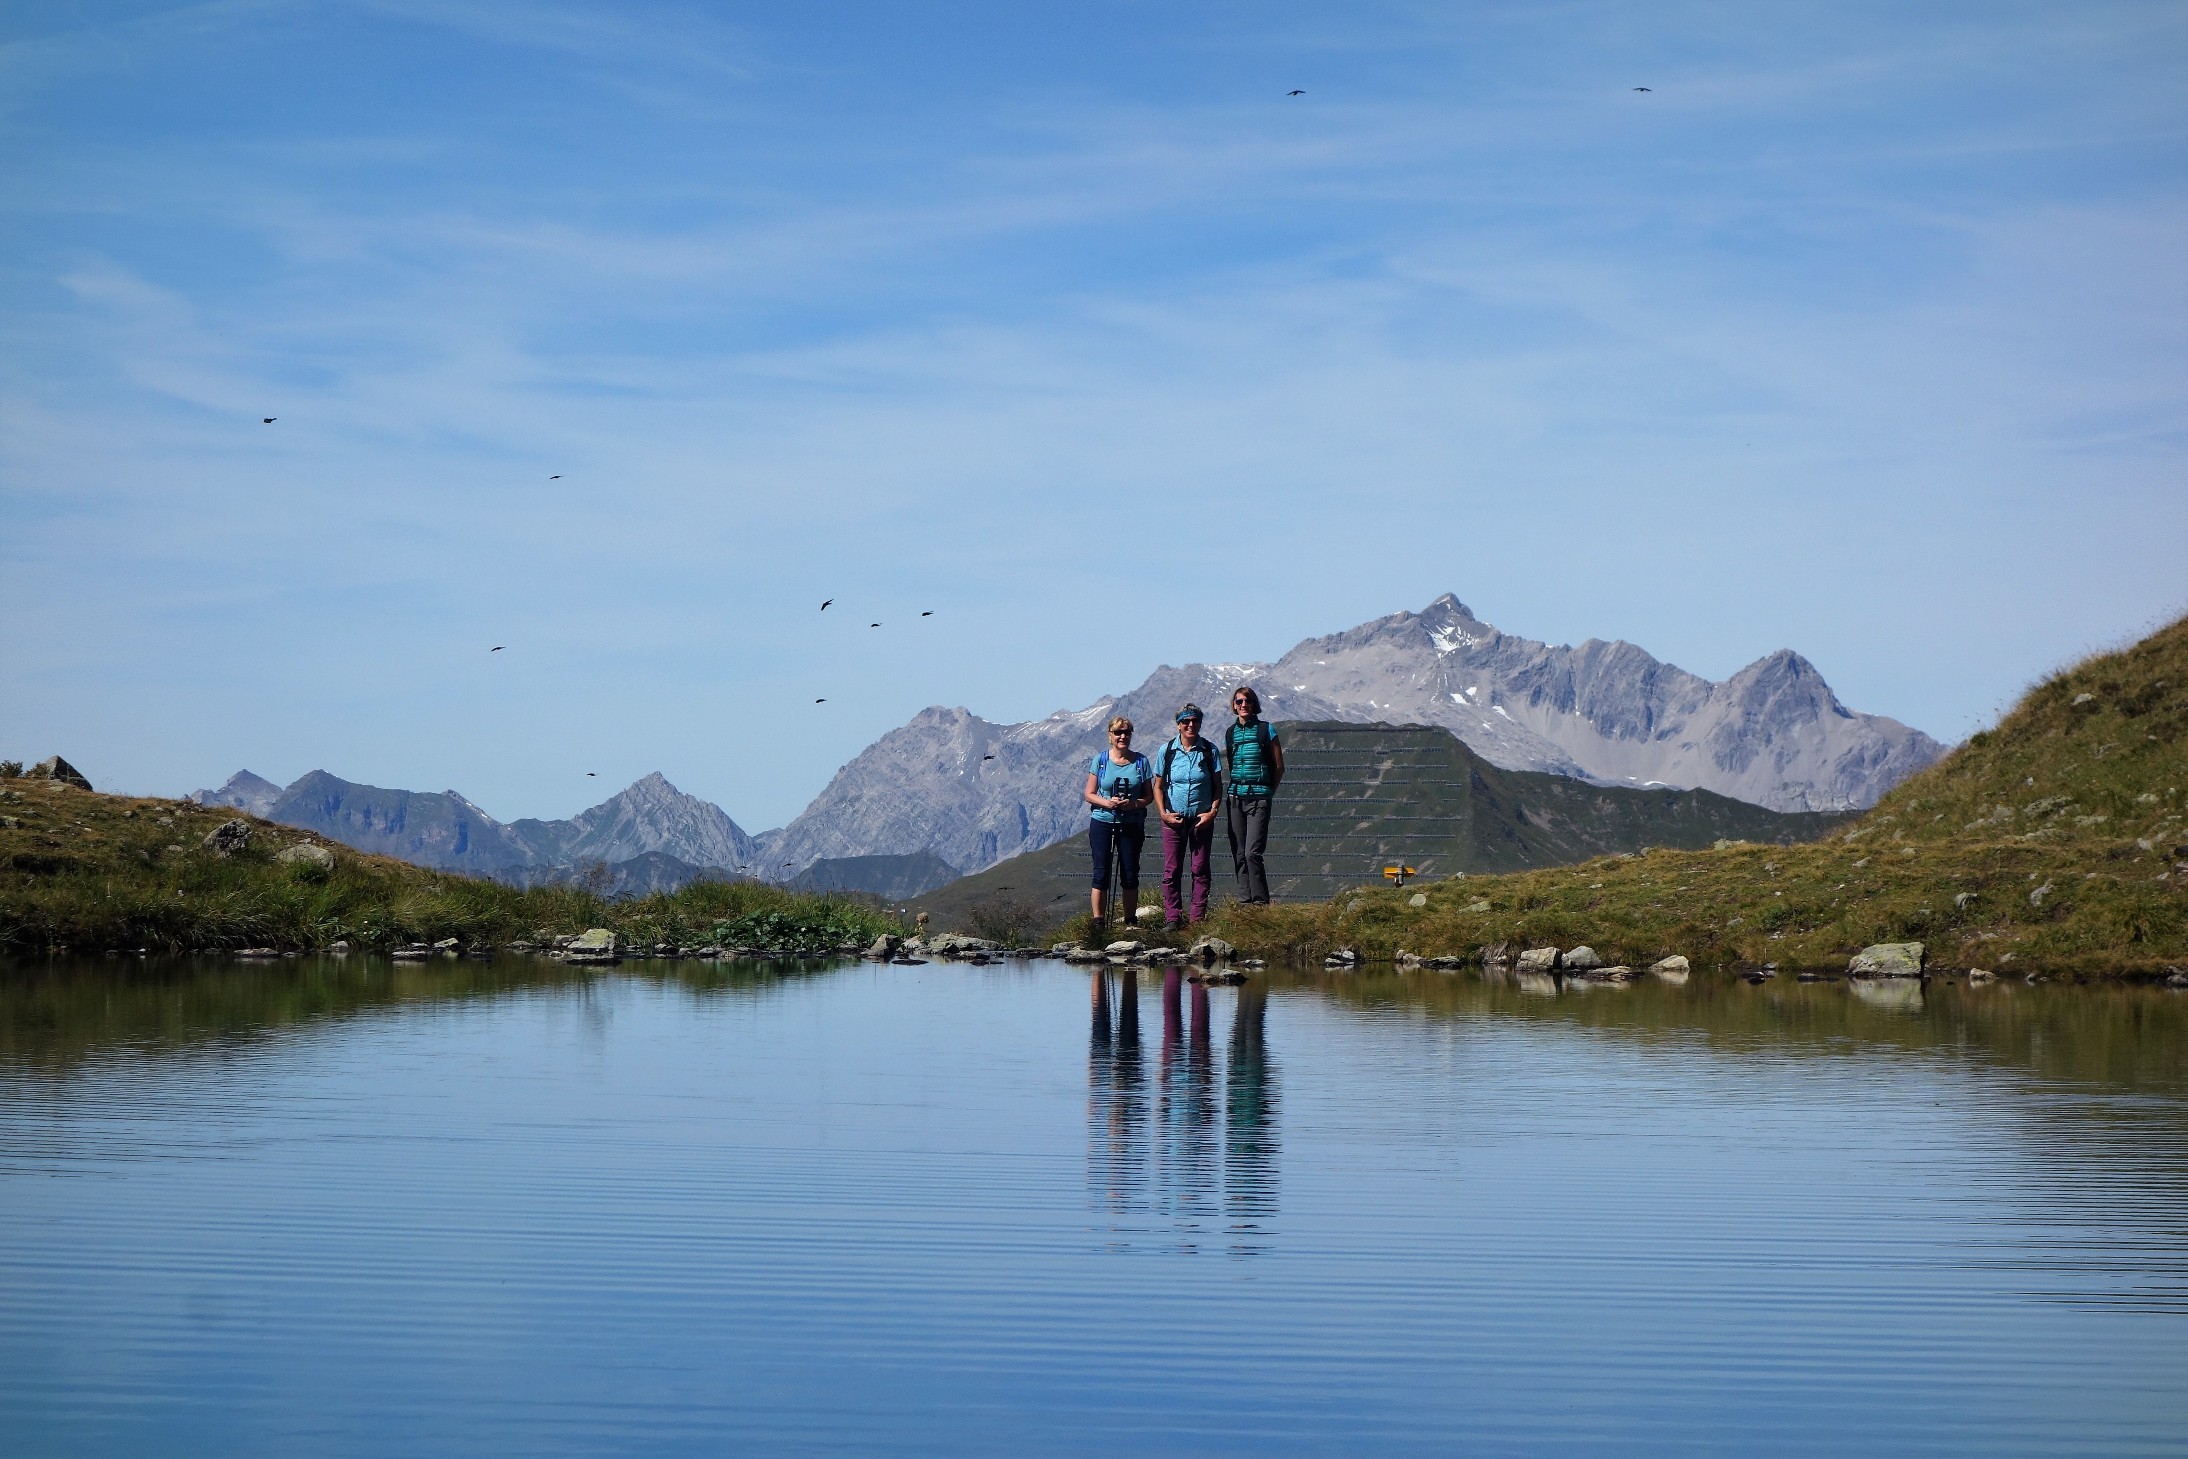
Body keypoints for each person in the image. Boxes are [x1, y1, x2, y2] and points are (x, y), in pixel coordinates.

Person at [1151, 703, 1222, 928]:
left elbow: (1218, 786)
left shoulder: (1210, 750)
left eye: (1195, 721)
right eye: (1185, 721)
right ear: (1178, 724)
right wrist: (1163, 814)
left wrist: (1212, 812)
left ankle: (1196, 920)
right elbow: (1157, 786)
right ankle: (1173, 918)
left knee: (1200, 869)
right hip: (1174, 819)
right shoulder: (1167, 751)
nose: (1190, 725)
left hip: (1201, 819)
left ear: (1200, 723)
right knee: (1172, 870)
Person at [1082, 716, 1152, 929]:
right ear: (1110, 736)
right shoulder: (1100, 760)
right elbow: (1089, 793)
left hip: (1131, 822)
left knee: (1130, 872)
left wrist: (1133, 804)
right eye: (1118, 732)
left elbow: (1149, 796)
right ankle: (1098, 921)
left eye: (1126, 732)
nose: (1122, 736)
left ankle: (1130, 921)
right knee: (1101, 872)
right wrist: (1107, 803)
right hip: (1103, 821)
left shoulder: (1141, 762)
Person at [1222, 685, 1284, 905]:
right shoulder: (1230, 732)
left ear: (1254, 704)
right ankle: (1244, 902)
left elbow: (1279, 767)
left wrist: (1268, 792)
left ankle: (1260, 903)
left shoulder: (1266, 730)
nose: (1243, 705)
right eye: (1239, 701)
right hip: (1235, 798)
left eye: (1247, 701)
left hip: (1259, 798)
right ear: (1234, 705)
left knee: (1252, 853)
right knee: (1239, 853)